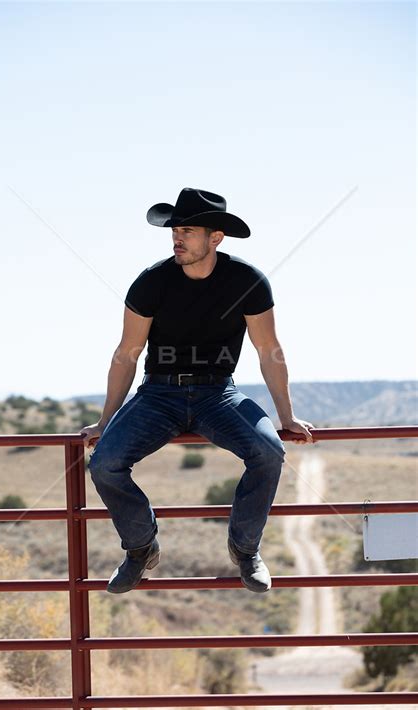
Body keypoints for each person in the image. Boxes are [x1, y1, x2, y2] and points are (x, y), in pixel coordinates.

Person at [81, 187, 314, 594]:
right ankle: (140, 548)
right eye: (175, 230)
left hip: (218, 395)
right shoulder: (152, 282)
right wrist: (106, 420)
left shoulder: (246, 280)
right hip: (158, 395)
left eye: (188, 230)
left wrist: (286, 417)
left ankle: (245, 550)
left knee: (268, 452)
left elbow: (269, 351)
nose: (177, 238)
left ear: (215, 237)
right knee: (104, 463)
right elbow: (126, 354)